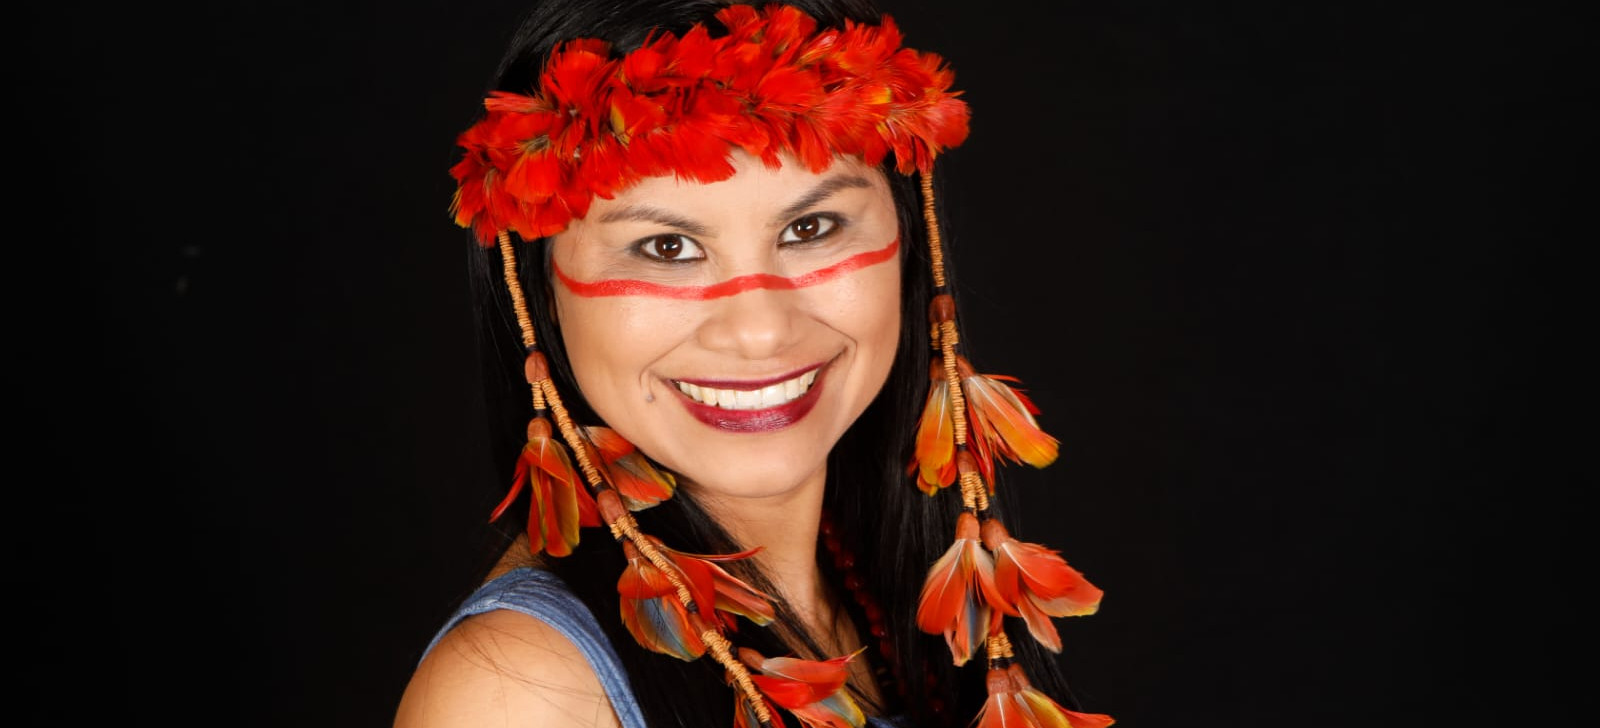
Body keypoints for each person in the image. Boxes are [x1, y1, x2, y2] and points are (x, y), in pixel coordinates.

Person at [394, 1, 1113, 727]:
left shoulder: (883, 602)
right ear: (537, 291)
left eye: (810, 228)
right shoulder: (520, 694)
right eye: (667, 247)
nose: (761, 330)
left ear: (911, 241)